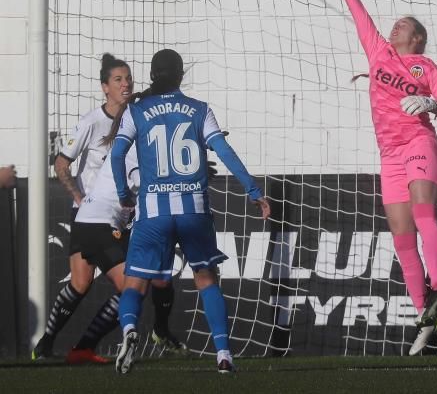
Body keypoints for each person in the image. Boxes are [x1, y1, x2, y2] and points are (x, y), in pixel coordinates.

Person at [307, 0, 437, 356]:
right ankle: (423, 317)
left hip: (419, 142)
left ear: (419, 39)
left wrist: (430, 102)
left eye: (405, 25)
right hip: (389, 155)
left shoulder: (427, 67)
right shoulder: (378, 53)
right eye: (396, 22)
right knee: (399, 235)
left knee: (423, 211)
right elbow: (357, 11)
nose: (396, 26)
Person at [111, 49, 270, 375]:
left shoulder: (136, 110)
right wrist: (253, 191)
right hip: (193, 208)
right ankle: (223, 354)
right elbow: (223, 151)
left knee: (135, 282)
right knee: (207, 279)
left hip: (153, 209)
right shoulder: (199, 109)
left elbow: (116, 157)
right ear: (181, 75)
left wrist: (125, 198)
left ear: (152, 75)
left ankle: (129, 330)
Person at [33, 54, 184, 363]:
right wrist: (78, 196)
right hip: (95, 214)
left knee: (89, 283)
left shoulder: (132, 118)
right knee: (127, 285)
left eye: (128, 78)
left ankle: (56, 346)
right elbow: (61, 163)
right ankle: (73, 346)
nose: (125, 83)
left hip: (108, 215)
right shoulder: (95, 122)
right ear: (105, 87)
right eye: (118, 79)